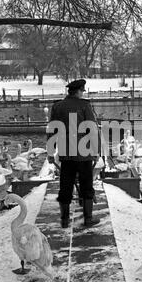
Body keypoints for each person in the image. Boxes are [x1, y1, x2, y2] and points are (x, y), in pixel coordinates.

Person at [47, 79, 100, 229]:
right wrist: (95, 150)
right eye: (82, 91)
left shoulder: (57, 106)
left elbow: (52, 131)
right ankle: (88, 219)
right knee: (86, 186)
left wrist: (51, 153)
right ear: (78, 91)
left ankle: (64, 220)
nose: (83, 93)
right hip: (84, 154)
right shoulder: (85, 106)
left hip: (65, 154)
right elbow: (92, 129)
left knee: (66, 186)